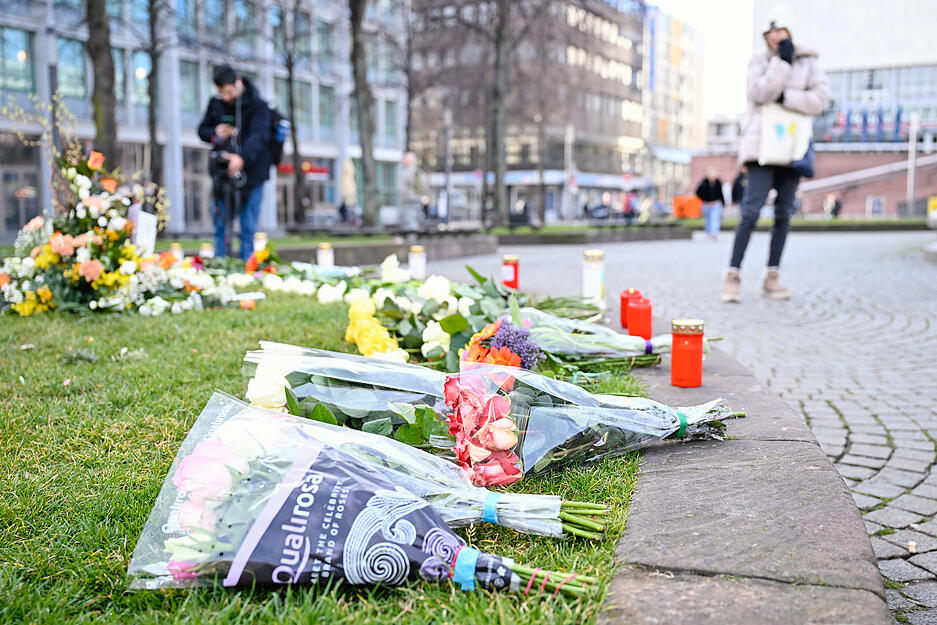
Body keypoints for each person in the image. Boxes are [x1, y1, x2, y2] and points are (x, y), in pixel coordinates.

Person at [722, 5, 829, 302]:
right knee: (750, 211)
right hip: (761, 148)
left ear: (789, 32)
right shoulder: (760, 60)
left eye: (779, 30)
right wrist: (781, 63)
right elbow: (758, 94)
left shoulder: (809, 62)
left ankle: (772, 277)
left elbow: (820, 100)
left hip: (793, 148)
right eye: (769, 32)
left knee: (783, 214)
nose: (774, 36)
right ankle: (732, 275)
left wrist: (785, 97)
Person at [198, 64, 272, 260]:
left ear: (238, 83)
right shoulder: (216, 104)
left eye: (229, 92)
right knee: (220, 226)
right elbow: (202, 131)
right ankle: (221, 265)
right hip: (222, 178)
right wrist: (216, 132)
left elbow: (259, 137)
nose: (226, 97)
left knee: (248, 228)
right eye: (221, 93)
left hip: (252, 175)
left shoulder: (258, 106)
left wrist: (241, 158)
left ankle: (248, 267)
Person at [696, 167, 727, 240]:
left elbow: (721, 194)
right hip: (706, 204)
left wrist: (723, 203)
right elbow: (698, 193)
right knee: (708, 220)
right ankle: (708, 232)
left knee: (715, 218)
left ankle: (714, 233)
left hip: (716, 204)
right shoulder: (703, 183)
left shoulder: (718, 183)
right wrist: (704, 199)